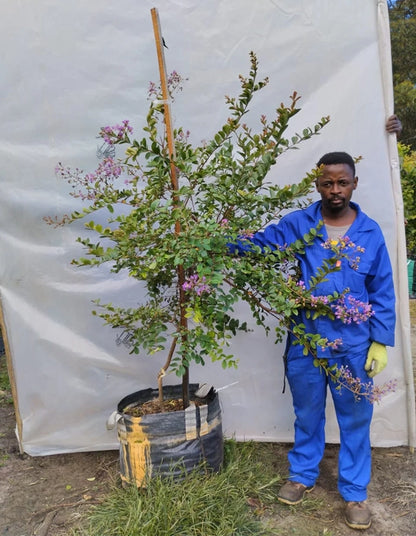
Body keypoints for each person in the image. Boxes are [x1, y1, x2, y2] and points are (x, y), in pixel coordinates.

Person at [230, 151, 396, 530]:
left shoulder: (370, 233)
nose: (334, 189)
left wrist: (380, 342)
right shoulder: (299, 224)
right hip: (306, 341)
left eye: (342, 182)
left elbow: (382, 290)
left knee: (355, 418)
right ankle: (302, 474)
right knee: (307, 414)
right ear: (317, 184)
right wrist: (215, 241)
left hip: (352, 346)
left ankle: (355, 491)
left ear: (354, 184)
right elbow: (260, 244)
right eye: (327, 182)